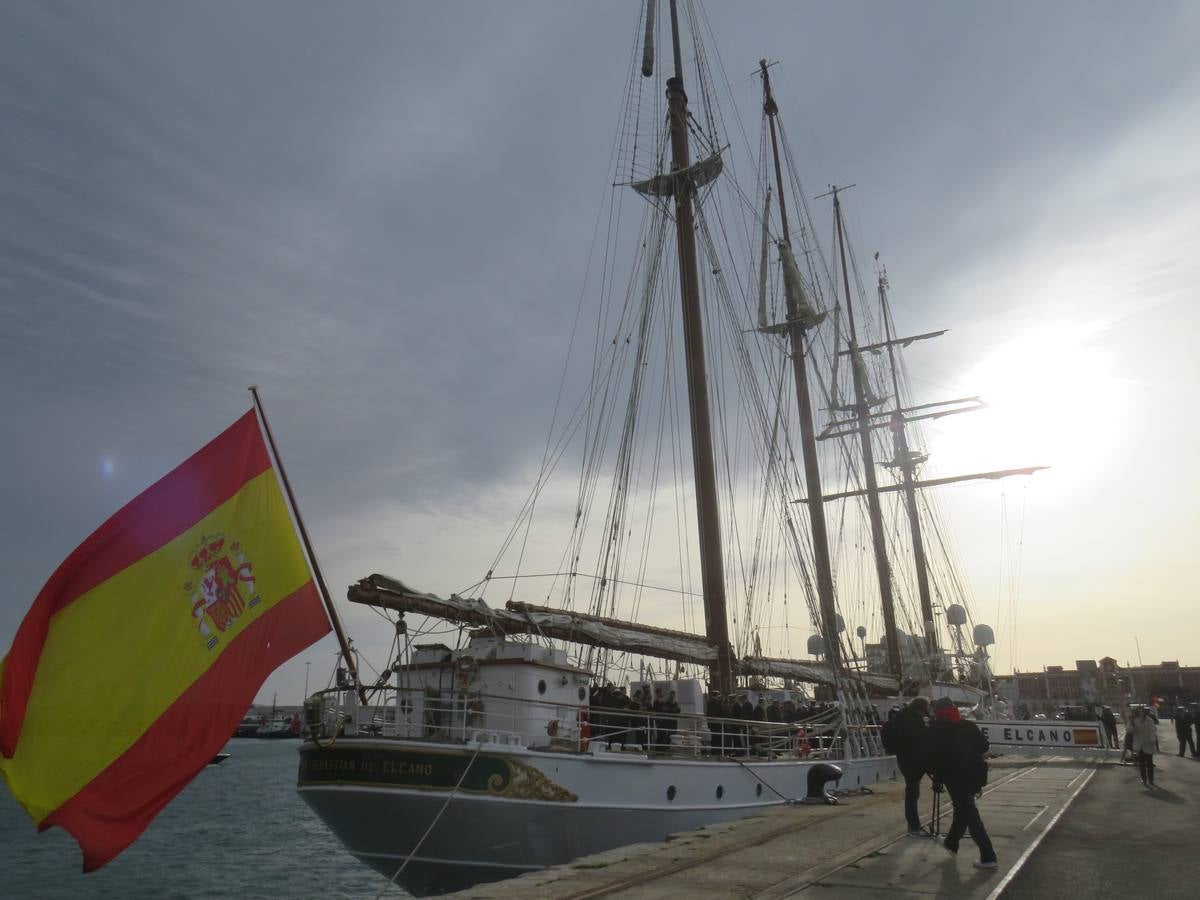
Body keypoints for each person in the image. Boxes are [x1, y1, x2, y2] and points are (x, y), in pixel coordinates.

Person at [926, 697, 997, 869]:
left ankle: (988, 856)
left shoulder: (936, 730)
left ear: (938, 713)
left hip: (954, 777)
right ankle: (951, 843)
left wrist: (937, 779)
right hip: (974, 775)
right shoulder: (968, 726)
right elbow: (983, 747)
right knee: (962, 809)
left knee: (970, 815)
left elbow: (934, 759)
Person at [883, 696, 931, 836]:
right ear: (920, 709)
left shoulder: (900, 716)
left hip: (903, 758)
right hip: (912, 759)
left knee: (911, 790)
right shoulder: (912, 720)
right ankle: (913, 826)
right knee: (912, 793)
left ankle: (913, 824)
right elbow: (918, 737)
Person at [1130, 706, 1159, 786]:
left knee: (1149, 763)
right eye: (1139, 711)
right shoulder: (1134, 720)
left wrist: (1152, 739)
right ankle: (1143, 778)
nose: (1140, 713)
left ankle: (1151, 779)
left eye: (1141, 711)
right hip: (1140, 744)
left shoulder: (1149, 720)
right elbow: (1129, 729)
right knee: (1142, 763)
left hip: (1148, 743)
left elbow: (1153, 730)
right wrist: (1133, 729)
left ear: (1144, 712)